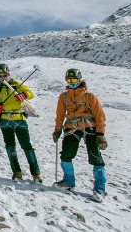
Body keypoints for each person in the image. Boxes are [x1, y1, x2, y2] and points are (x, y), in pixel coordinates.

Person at [53, 69, 108, 202]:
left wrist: (100, 134)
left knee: (95, 156)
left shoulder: (90, 96)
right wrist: (57, 129)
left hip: (90, 128)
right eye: (69, 80)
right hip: (72, 128)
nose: (71, 83)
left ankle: (100, 189)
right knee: (66, 154)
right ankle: (68, 181)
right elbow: (60, 115)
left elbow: (99, 115)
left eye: (74, 80)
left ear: (80, 80)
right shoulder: (64, 97)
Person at [0, 63, 42, 182]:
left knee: (27, 146)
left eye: (4, 74)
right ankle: (16, 171)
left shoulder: (17, 85)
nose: (3, 77)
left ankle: (36, 173)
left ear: (8, 73)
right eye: (0, 75)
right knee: (10, 146)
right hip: (5, 120)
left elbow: (30, 93)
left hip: (19, 118)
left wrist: (24, 95)